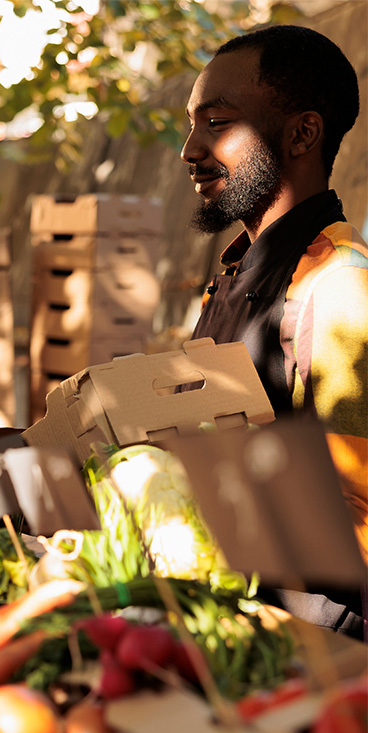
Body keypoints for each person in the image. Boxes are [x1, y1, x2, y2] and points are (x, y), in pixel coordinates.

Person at [182, 24, 367, 636]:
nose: (189, 150)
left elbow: (356, 521)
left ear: (302, 133)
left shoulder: (339, 288)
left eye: (216, 122)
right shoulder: (234, 272)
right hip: (227, 616)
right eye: (191, 124)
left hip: (308, 652)